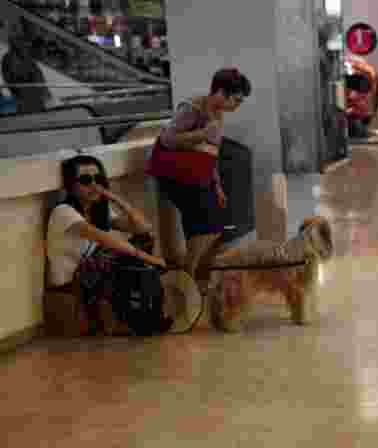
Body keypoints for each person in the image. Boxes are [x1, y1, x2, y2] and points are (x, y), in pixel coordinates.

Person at [148, 67, 250, 288]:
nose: (237, 106)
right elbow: (167, 139)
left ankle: (191, 275)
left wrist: (217, 185)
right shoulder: (193, 108)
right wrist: (202, 133)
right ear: (221, 92)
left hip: (197, 177)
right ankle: (187, 275)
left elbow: (210, 154)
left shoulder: (218, 114)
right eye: (236, 100)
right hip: (176, 176)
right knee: (209, 226)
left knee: (210, 225)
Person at [47, 155, 168, 335]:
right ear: (71, 185)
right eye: (86, 180)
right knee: (124, 256)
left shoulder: (97, 211)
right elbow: (105, 239)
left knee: (143, 240)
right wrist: (149, 258)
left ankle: (147, 316)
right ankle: (137, 320)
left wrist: (113, 197)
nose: (94, 185)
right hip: (73, 279)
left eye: (99, 179)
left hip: (91, 272)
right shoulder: (64, 212)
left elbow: (143, 227)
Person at [2, 19, 51, 114]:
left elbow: (39, 76)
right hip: (26, 98)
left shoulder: (29, 59)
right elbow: (11, 79)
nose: (26, 44)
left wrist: (46, 93)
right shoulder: (9, 58)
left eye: (24, 41)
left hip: (37, 97)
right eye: (20, 40)